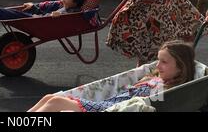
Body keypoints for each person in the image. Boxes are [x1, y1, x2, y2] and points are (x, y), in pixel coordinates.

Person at [28, 40, 195, 112]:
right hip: (107, 103)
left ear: (181, 68)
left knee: (56, 101)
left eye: (164, 62)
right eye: (158, 60)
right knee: (49, 97)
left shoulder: (170, 91)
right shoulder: (155, 78)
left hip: (110, 109)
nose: (157, 66)